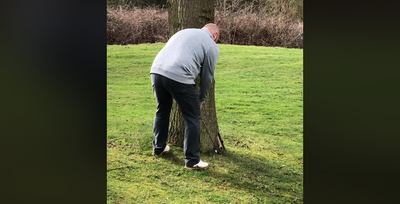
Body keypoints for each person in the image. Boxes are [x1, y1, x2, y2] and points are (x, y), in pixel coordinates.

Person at [149, 23, 220, 170]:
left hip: (156, 71)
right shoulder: (211, 46)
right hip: (179, 76)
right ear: (215, 35)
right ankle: (192, 160)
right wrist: (201, 99)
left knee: (162, 109)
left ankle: (159, 147)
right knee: (193, 117)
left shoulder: (184, 31)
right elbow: (207, 77)